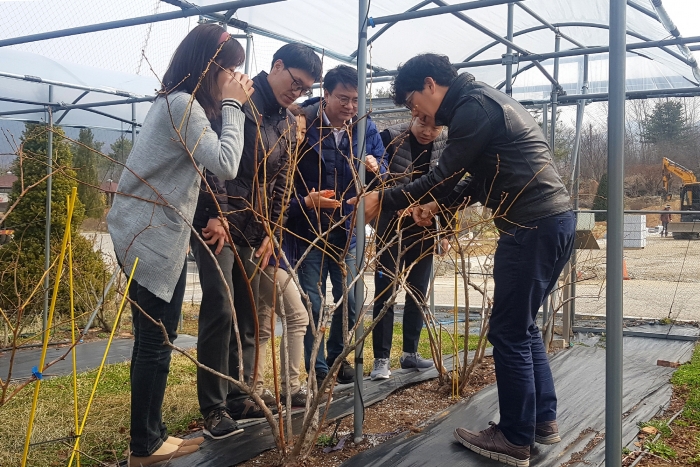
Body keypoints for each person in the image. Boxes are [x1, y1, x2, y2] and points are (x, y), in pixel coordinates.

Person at [352, 54, 575, 467]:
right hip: (550, 221)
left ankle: (513, 437)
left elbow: (445, 174)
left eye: (412, 101)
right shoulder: (482, 103)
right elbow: (474, 178)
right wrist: (436, 205)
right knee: (521, 327)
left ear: (430, 84)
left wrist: (384, 198)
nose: (414, 111)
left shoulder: (473, 108)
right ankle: (541, 421)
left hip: (531, 224)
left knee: (508, 332)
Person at [107, 24, 252, 466]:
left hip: (144, 232)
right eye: (228, 70)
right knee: (154, 342)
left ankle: (151, 437)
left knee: (157, 339)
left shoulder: (172, 102)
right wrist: (233, 106)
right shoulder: (183, 105)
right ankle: (144, 446)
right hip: (149, 237)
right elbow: (226, 164)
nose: (233, 79)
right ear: (210, 65)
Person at [191, 43, 321, 438]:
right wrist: (216, 213)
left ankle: (239, 394)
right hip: (218, 225)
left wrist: (271, 232)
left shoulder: (286, 121)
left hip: (254, 228)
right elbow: (211, 157)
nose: (296, 93)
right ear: (276, 65)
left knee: (250, 313)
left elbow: (280, 183)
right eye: (295, 82)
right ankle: (213, 407)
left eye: (304, 89)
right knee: (220, 308)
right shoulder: (238, 100)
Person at [289, 65, 386, 389]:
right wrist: (304, 202)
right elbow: (286, 173)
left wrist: (376, 168)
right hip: (309, 229)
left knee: (351, 298)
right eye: (343, 98)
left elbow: (384, 166)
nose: (350, 107)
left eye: (356, 100)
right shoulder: (304, 124)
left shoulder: (365, 128)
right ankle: (316, 366)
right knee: (312, 301)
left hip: (348, 229)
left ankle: (337, 358)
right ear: (326, 94)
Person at [370, 118, 451, 380]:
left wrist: (446, 231)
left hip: (425, 227)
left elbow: (449, 189)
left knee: (418, 292)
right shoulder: (390, 137)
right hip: (391, 226)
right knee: (386, 291)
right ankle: (381, 359)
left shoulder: (445, 144)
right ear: (414, 117)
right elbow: (375, 184)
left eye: (435, 128)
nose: (428, 132)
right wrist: (391, 210)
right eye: (423, 125)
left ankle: (410, 353)